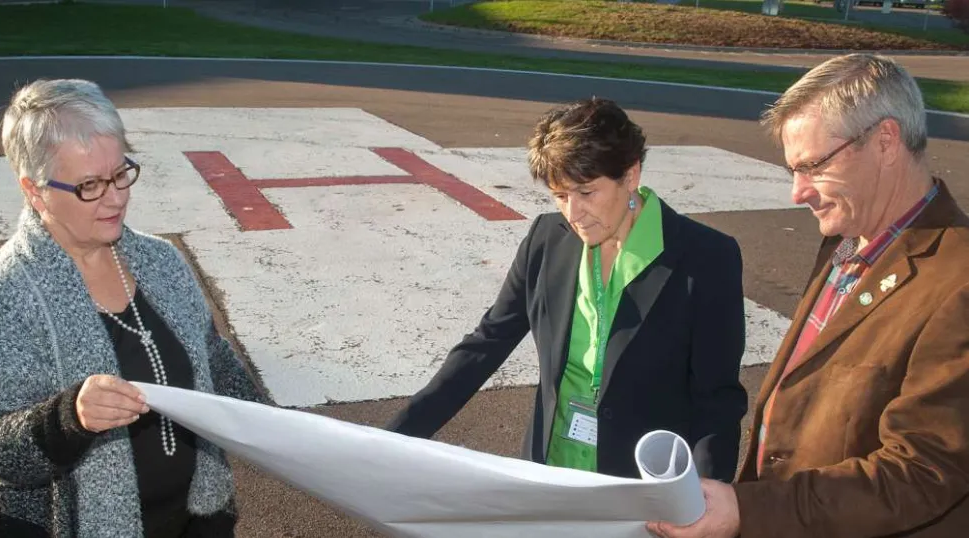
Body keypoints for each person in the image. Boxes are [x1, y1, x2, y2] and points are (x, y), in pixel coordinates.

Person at [648, 54, 969, 538]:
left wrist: (748, 509)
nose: (798, 192)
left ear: (885, 141)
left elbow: (920, 473)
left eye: (813, 166)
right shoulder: (846, 241)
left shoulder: (958, 280)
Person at [387, 97, 748, 482]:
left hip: (642, 489)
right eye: (560, 195)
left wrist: (706, 495)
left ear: (631, 175)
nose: (573, 214)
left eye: (586, 193)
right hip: (550, 472)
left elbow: (717, 399)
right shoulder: (546, 240)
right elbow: (487, 343)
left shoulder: (706, 257)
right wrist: (395, 438)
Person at [0, 79, 267, 537]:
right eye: (89, 185)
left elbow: (211, 356)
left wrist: (281, 431)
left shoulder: (161, 260)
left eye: (120, 173)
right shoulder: (0, 294)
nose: (116, 197)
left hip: (197, 518)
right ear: (34, 190)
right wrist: (69, 417)